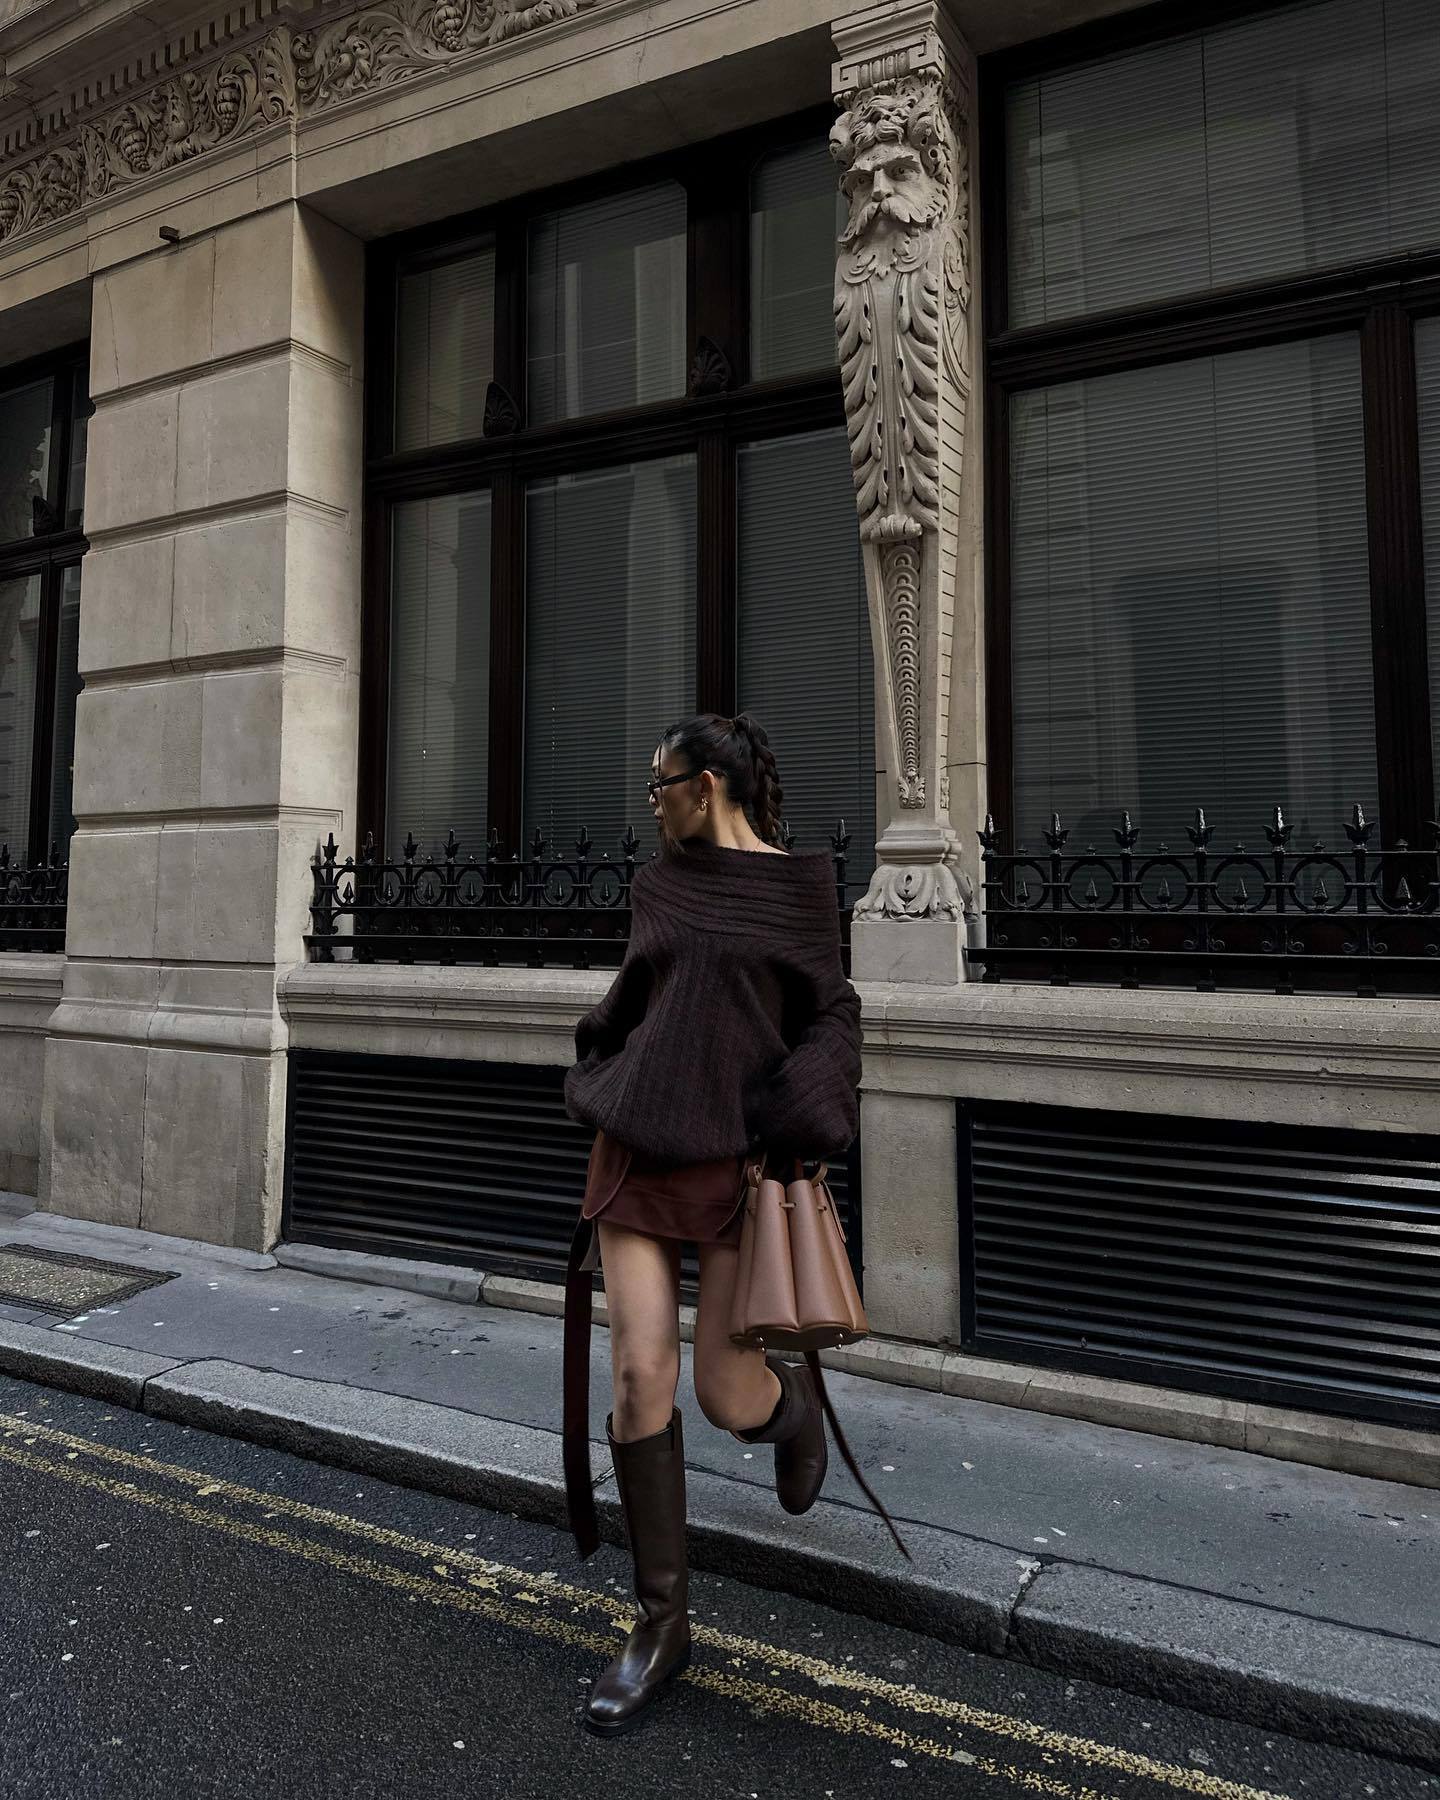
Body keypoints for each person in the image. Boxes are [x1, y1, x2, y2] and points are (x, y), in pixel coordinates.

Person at [560, 710, 864, 1737]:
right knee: (639, 1372)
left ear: (711, 786)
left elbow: (832, 1013)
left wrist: (809, 1105)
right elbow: (633, 1000)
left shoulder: (800, 888)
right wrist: (595, 1065)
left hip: (738, 1163)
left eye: (663, 781)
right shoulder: (661, 883)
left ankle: (793, 1412)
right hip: (639, 1147)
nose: (651, 798)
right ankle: (662, 1625)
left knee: (726, 1392)